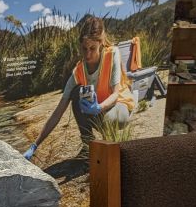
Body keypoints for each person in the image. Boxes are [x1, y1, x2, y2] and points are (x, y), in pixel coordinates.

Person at [24, 15, 134, 161]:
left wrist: (98, 108)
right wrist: (34, 145)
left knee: (111, 120)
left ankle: (111, 152)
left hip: (118, 104)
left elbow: (115, 95)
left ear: (100, 44)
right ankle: (88, 145)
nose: (88, 54)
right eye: (84, 48)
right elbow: (58, 112)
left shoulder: (112, 53)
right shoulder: (79, 71)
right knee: (76, 94)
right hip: (98, 109)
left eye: (92, 48)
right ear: (79, 46)